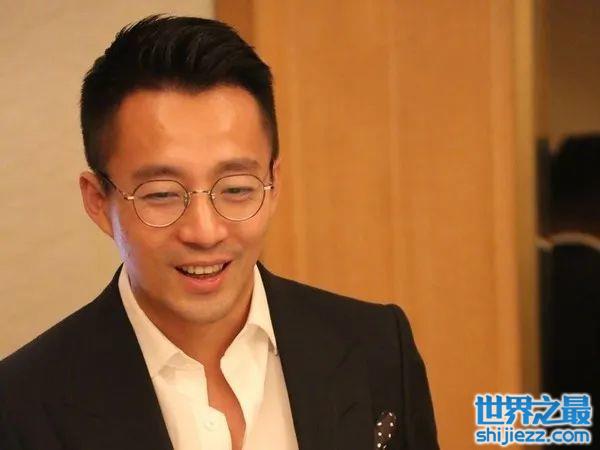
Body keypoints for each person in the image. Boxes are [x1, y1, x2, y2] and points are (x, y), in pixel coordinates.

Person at [0, 15, 438, 450]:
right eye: (162, 194)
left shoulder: (378, 347)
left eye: (236, 189)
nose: (205, 231)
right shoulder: (21, 405)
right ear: (98, 201)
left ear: (273, 184)